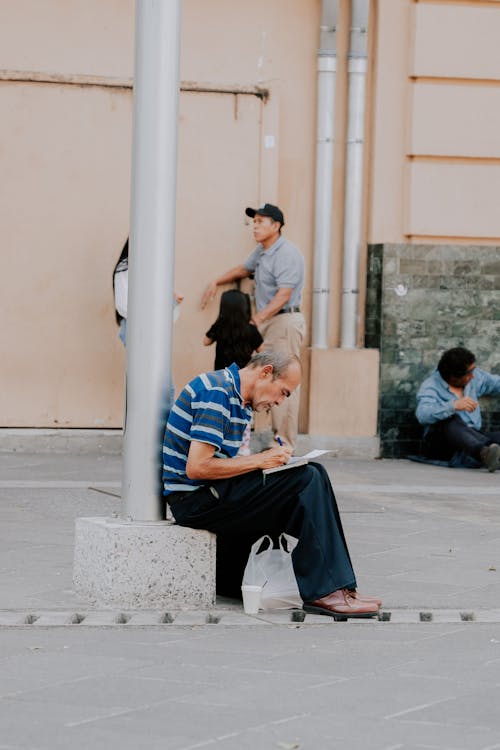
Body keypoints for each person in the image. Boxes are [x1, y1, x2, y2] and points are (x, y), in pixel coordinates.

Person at [162, 350, 381, 619]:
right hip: (194, 501)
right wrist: (260, 461)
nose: (279, 401)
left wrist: (271, 465)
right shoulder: (217, 392)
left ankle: (340, 588)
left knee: (314, 473)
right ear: (266, 372)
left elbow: (225, 467)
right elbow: (197, 468)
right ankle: (327, 589)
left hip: (212, 494)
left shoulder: (238, 400)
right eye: (283, 392)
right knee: (307, 479)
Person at [201, 204, 305, 451]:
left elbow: (284, 294)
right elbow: (243, 269)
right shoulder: (262, 251)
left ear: (276, 226)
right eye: (253, 221)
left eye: (260, 221)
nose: (255, 226)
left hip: (283, 321)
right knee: (264, 377)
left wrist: (256, 320)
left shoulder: (287, 254)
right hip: (269, 321)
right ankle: (260, 441)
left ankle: (284, 445)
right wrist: (217, 280)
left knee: (283, 381)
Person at [416, 346, 500, 472]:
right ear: (453, 377)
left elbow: (496, 383)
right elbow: (422, 415)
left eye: (473, 370)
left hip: (475, 437)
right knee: (450, 420)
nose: (473, 376)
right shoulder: (430, 386)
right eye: (469, 373)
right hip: (443, 444)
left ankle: (487, 453)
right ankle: (484, 453)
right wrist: (453, 405)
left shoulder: (474, 378)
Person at [204, 289, 264, 456]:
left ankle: (221, 444)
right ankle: (243, 446)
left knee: (223, 411)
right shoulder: (250, 330)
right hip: (244, 380)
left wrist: (218, 323)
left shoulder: (220, 326)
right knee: (244, 411)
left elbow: (205, 341)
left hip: (222, 379)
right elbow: (262, 350)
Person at [113, 238, 184, 346]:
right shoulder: (124, 268)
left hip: (149, 329)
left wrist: (172, 298)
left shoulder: (149, 267)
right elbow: (123, 306)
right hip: (136, 329)